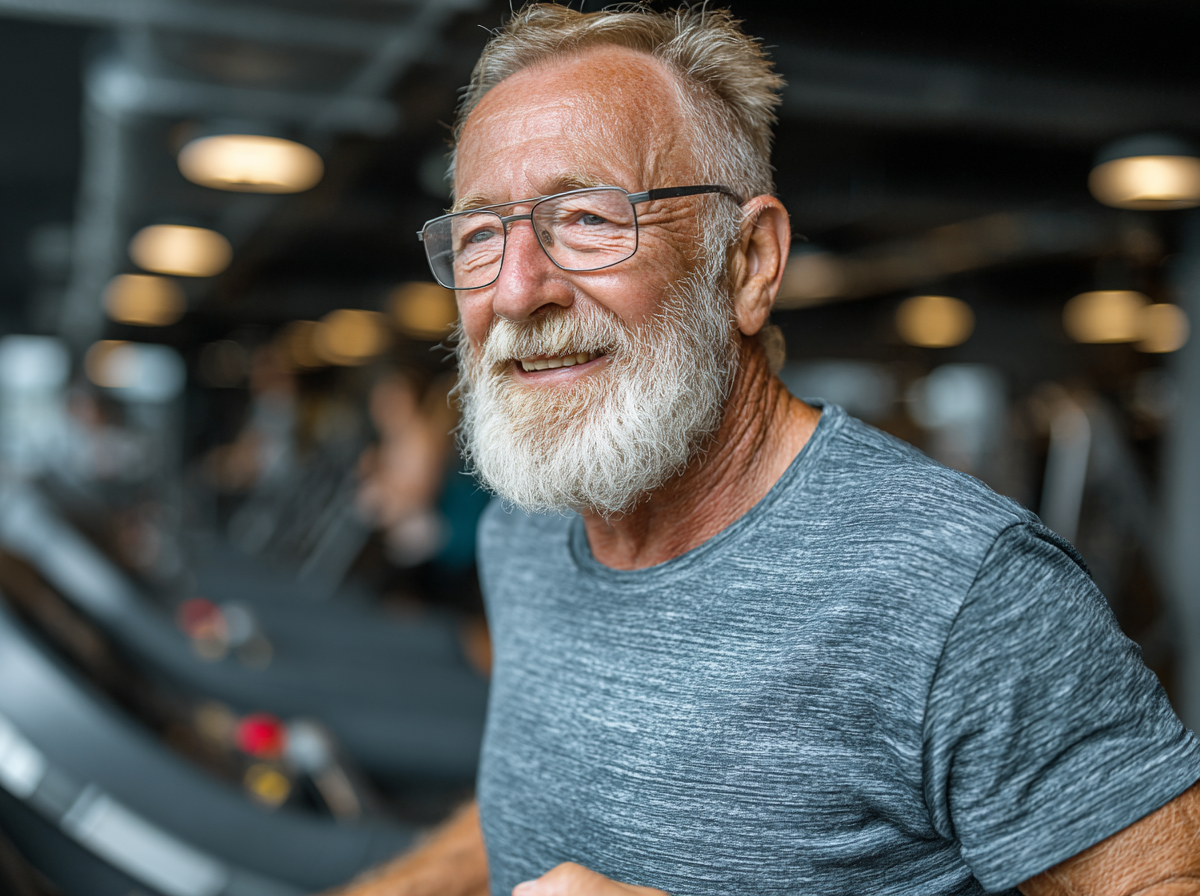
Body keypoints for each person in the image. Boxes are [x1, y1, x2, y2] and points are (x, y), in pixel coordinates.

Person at [333, 5, 1200, 895]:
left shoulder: (959, 588)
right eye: (480, 235)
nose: (516, 290)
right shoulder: (524, 532)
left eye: (588, 218)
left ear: (747, 263)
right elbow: (542, 800)